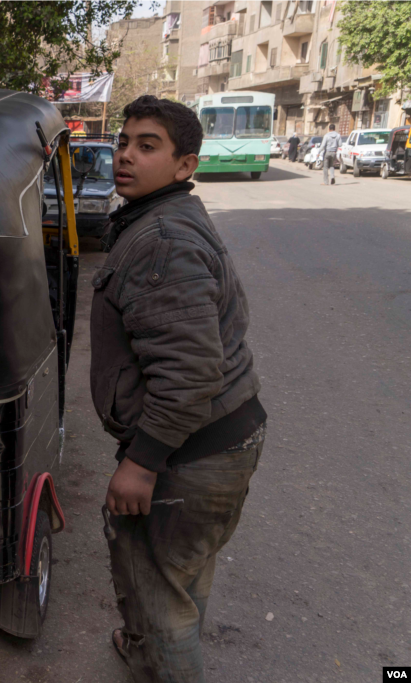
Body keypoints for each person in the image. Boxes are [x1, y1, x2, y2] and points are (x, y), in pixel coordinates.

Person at [93, 95, 267, 682]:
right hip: (223, 438)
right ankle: (149, 650)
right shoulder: (162, 219)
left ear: (184, 166)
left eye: (148, 146)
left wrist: (142, 463)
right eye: (123, 142)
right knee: (181, 578)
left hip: (190, 455)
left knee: (159, 596)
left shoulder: (161, 239)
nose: (125, 156)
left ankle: (161, 655)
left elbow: (190, 371)